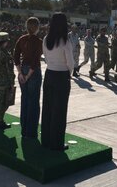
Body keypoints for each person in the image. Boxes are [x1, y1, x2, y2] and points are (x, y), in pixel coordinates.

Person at [41, 13, 74, 151]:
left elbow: (46, 58)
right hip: (61, 76)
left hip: (49, 74)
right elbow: (70, 62)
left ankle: (46, 140)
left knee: (48, 108)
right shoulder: (65, 41)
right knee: (59, 110)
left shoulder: (46, 38)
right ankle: (57, 143)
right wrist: (69, 74)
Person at [13, 17, 43, 139]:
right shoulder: (38, 41)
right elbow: (35, 61)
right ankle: (31, 132)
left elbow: (15, 56)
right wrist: (28, 75)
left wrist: (20, 73)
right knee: (33, 102)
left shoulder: (21, 39)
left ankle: (24, 130)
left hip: (23, 70)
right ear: (37, 27)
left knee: (25, 100)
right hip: (33, 72)